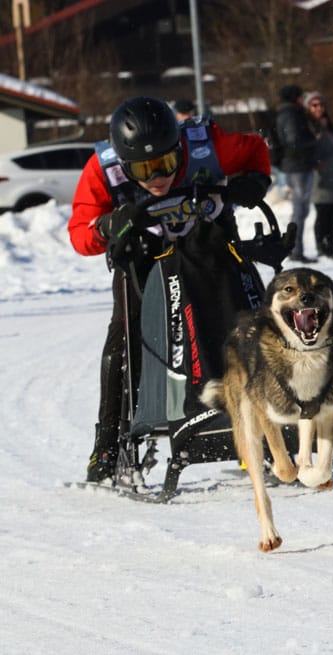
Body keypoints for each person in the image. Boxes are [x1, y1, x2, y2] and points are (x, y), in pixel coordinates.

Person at [67, 96, 271, 483]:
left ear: (179, 148)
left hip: (209, 248)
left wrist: (254, 181)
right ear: (125, 164)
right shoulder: (102, 168)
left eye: (165, 164)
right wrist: (109, 226)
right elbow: (80, 234)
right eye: (143, 170)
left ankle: (255, 419)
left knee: (238, 323)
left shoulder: (206, 144)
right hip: (142, 257)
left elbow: (256, 151)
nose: (156, 177)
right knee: (123, 337)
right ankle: (108, 441)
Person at [304, 91, 333, 260]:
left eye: (321, 105)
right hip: (321, 176)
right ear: (308, 107)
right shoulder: (307, 126)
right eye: (314, 105)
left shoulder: (328, 126)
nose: (319, 108)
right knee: (323, 213)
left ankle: (330, 246)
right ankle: (321, 247)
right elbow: (307, 149)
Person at [275, 84, 319, 261]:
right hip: (297, 166)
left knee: (300, 210)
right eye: (301, 96)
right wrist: (312, 140)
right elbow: (294, 140)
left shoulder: (285, 113)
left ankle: (295, 249)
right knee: (299, 210)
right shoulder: (292, 114)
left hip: (294, 165)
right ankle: (295, 250)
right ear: (295, 98)